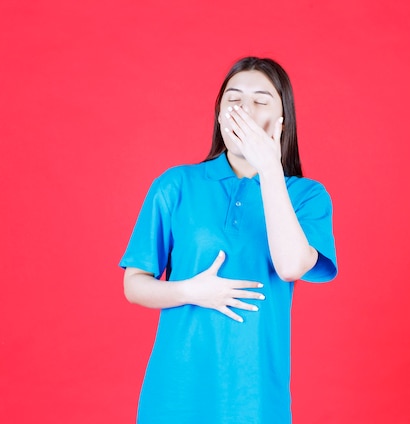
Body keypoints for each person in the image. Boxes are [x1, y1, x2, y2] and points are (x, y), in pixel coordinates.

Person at [120, 57, 338, 424]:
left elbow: (290, 266)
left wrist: (269, 167)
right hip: (174, 392)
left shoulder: (305, 196)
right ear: (219, 115)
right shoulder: (175, 185)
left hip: (254, 398)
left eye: (261, 101)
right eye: (233, 99)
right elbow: (134, 284)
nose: (245, 111)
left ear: (283, 118)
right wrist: (189, 291)